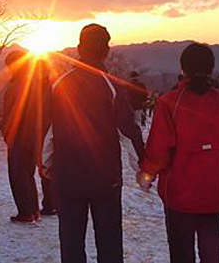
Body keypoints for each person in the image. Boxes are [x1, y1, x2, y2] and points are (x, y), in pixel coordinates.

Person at [137, 43, 219, 263]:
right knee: (212, 255)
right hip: (212, 193)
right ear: (211, 69)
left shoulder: (168, 102)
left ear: (183, 69)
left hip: (178, 197)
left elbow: (159, 150)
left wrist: (147, 174)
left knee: (181, 255)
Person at [49, 24, 145, 263]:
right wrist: (143, 167)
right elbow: (127, 131)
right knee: (110, 242)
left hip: (67, 176)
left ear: (79, 49)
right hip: (105, 178)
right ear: (107, 51)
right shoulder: (111, 86)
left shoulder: (59, 84)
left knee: (71, 242)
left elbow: (47, 130)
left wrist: (45, 162)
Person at [3, 50, 55, 223]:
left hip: (18, 135)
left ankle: (26, 212)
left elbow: (11, 114)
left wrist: (5, 131)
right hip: (36, 135)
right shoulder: (38, 84)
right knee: (29, 174)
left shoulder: (15, 85)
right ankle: (34, 211)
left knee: (19, 175)